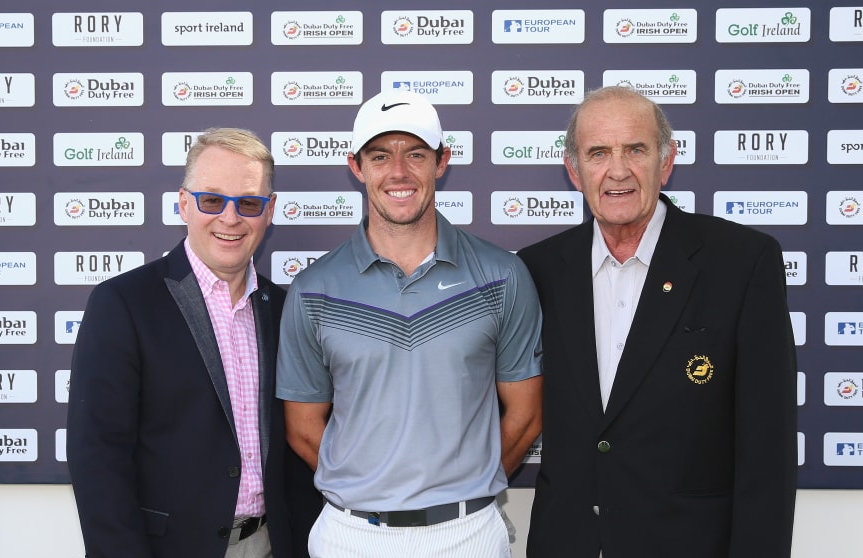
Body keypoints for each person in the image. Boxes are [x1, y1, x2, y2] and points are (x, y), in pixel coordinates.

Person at [517, 86, 798, 557]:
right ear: (574, 170)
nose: (618, 170)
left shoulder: (742, 262)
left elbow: (767, 450)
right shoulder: (536, 270)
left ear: (666, 163)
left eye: (636, 150)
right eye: (598, 153)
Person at [275, 90, 544, 558]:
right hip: (351, 536)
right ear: (356, 167)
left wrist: (461, 485)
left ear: (442, 162)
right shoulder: (314, 288)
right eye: (380, 156)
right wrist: (372, 486)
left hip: (468, 535)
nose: (398, 172)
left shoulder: (502, 275)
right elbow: (302, 427)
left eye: (415, 153)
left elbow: (525, 416)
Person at [67, 127, 321, 558]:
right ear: (184, 203)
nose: (230, 217)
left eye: (248, 203)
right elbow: (98, 458)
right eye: (211, 200)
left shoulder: (284, 309)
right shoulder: (123, 303)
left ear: (269, 210)